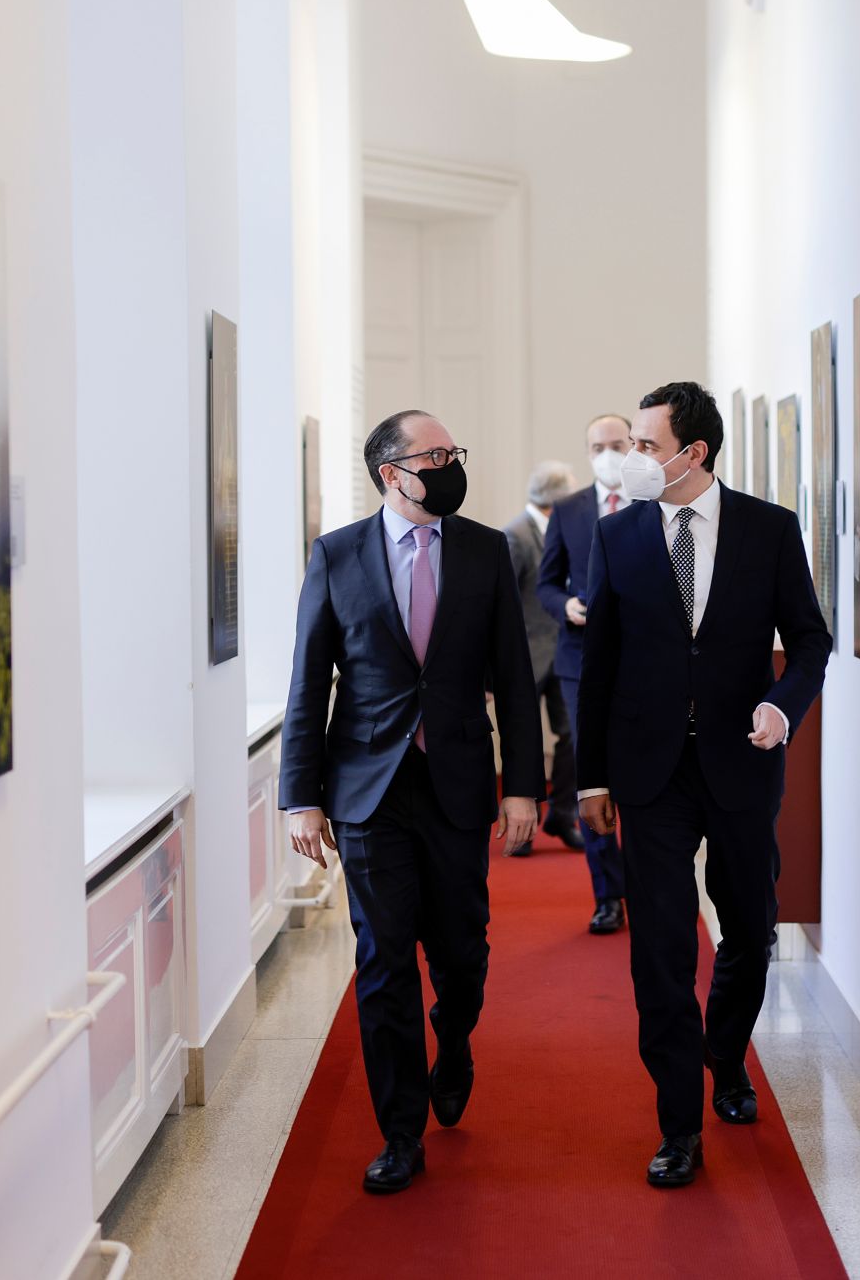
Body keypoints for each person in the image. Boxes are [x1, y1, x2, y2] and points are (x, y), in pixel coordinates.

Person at [279, 410, 541, 1195]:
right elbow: (307, 682)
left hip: (458, 782)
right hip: (367, 789)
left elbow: (515, 678)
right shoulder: (336, 556)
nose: (451, 463)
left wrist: (523, 784)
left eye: (454, 451)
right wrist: (300, 797)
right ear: (393, 473)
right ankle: (400, 1133)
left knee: (461, 952)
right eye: (436, 454)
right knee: (383, 961)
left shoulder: (485, 551)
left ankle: (453, 1040)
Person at [576, 383, 830, 1189]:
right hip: (651, 771)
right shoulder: (617, 538)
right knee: (660, 950)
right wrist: (590, 780)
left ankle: (726, 1051)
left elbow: (813, 643)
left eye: (647, 446)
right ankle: (678, 1122)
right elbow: (599, 667)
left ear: (696, 454)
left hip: (742, 761)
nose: (632, 459)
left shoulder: (768, 529)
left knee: (750, 929)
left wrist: (781, 708)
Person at [536, 414, 633, 932]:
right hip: (578, 659)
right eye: (598, 446)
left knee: (639, 771)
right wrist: (566, 605)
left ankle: (646, 884)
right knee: (591, 773)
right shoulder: (569, 509)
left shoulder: (650, 501)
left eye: (617, 444)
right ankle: (608, 895)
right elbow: (546, 582)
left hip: (639, 661)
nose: (607, 454)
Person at [500, 460, 582, 857]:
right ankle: (524, 822)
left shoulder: (564, 529)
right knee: (526, 742)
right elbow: (500, 605)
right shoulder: (513, 536)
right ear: (556, 497)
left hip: (564, 655)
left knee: (571, 737)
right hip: (526, 658)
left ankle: (564, 813)